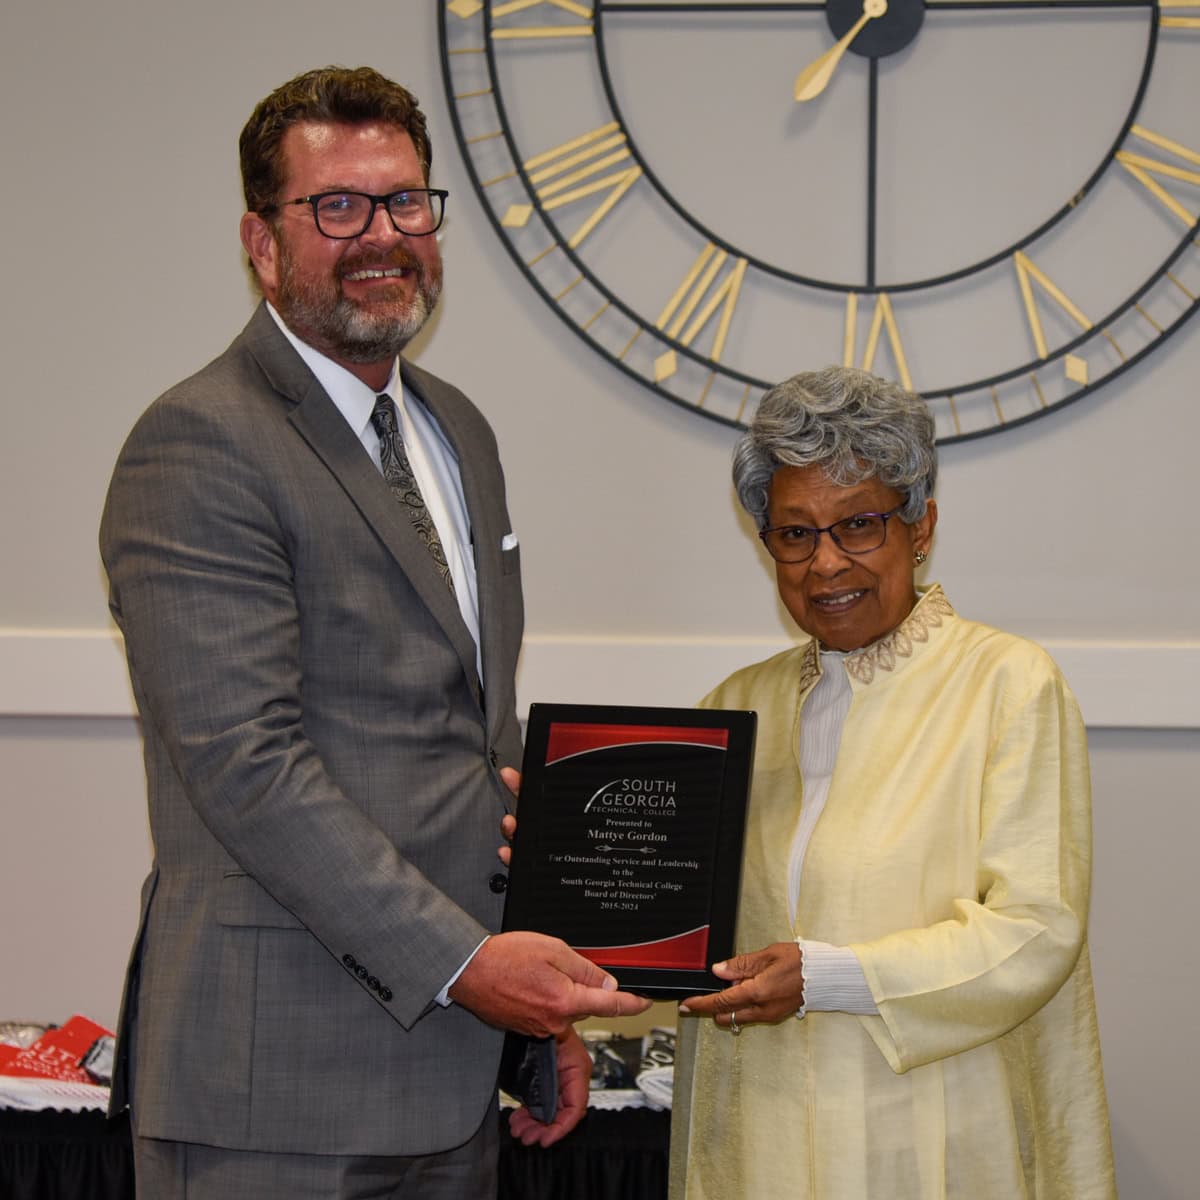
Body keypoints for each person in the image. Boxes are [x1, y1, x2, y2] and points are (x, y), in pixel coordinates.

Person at [100, 65, 648, 1199]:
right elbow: (244, 767)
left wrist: (523, 1010)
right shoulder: (199, 442)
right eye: (337, 206)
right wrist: (467, 967)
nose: (382, 235)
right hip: (274, 1097)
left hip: (449, 1086)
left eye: (405, 202)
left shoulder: (460, 434)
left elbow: (466, 747)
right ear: (262, 241)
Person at [669, 367, 1115, 1198]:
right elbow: (680, 918)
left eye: (859, 526)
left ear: (921, 527)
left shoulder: (1007, 684)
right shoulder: (734, 707)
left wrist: (832, 976)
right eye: (795, 535)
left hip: (935, 1133)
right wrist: (564, 870)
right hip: (759, 1141)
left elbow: (1035, 931)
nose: (826, 563)